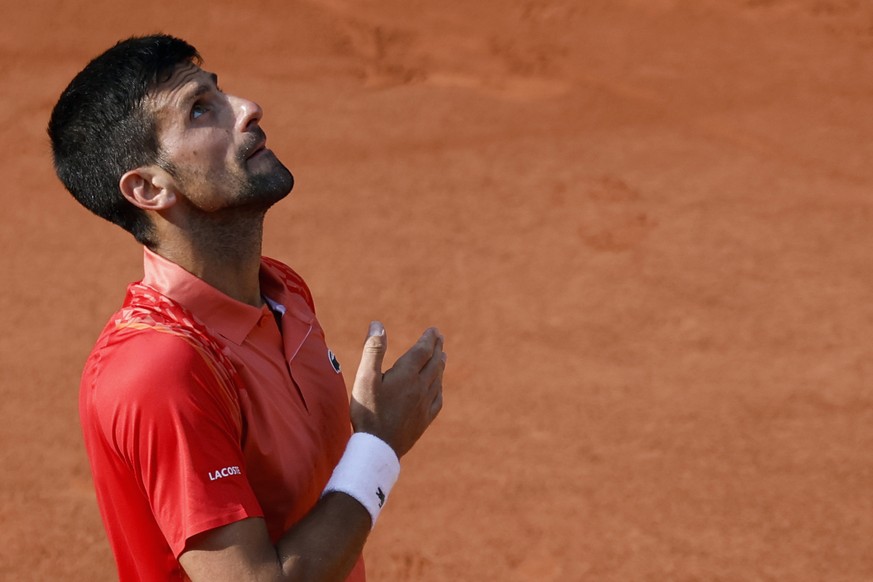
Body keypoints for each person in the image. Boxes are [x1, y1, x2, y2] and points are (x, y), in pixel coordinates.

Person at [48, 34, 445, 581]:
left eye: (219, 91)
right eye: (200, 110)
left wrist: (361, 438)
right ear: (148, 188)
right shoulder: (159, 371)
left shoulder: (281, 291)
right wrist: (378, 447)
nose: (248, 107)